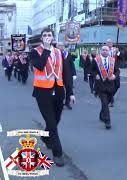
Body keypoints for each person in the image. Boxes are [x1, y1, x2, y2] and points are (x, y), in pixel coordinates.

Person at [30, 28, 76, 167]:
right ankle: (58, 153)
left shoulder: (59, 52)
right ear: (41, 38)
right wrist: (45, 49)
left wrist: (70, 93)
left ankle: (45, 135)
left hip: (58, 90)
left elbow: (66, 73)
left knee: (56, 119)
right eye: (44, 35)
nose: (47, 37)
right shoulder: (35, 52)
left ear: (53, 37)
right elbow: (39, 65)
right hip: (42, 92)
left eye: (49, 35)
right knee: (51, 122)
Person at [91, 46, 120, 129]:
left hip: (111, 85)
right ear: (101, 51)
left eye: (106, 50)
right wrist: (95, 75)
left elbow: (117, 70)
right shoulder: (96, 60)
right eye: (103, 50)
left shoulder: (113, 60)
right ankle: (107, 121)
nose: (104, 51)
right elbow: (91, 70)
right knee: (104, 103)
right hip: (100, 85)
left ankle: (101, 114)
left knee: (107, 102)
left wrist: (115, 75)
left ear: (108, 51)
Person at [56, 43, 77, 110]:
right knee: (60, 90)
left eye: (62, 45)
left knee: (69, 89)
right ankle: (60, 103)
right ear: (56, 46)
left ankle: (67, 103)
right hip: (58, 75)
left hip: (68, 75)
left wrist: (74, 74)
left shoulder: (67, 54)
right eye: (59, 45)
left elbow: (72, 65)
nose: (61, 47)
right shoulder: (54, 54)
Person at [106, 38, 120, 107]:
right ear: (106, 43)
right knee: (110, 86)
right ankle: (111, 101)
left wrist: (118, 52)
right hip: (108, 69)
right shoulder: (105, 50)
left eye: (110, 42)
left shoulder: (115, 49)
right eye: (108, 42)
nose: (109, 44)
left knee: (117, 85)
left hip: (115, 68)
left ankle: (110, 97)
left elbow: (120, 57)